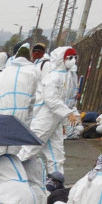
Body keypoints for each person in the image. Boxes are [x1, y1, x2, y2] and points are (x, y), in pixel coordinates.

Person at [31, 44, 79, 172]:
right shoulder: (54, 77)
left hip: (56, 119)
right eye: (69, 57)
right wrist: (68, 114)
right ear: (60, 59)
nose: (73, 60)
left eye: (74, 57)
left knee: (57, 155)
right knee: (30, 149)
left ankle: (56, 182)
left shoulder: (68, 76)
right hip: (45, 118)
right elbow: (51, 99)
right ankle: (11, 176)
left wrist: (68, 115)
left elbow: (69, 99)